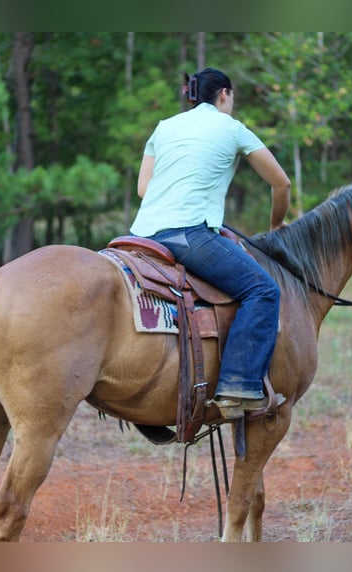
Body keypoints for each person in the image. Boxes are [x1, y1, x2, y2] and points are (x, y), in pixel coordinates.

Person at [130, 67, 291, 420]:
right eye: (231, 98)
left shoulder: (164, 127)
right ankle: (238, 386)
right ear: (223, 95)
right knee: (263, 290)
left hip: (140, 236)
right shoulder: (232, 128)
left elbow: (144, 190)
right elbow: (281, 184)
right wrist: (276, 223)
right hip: (189, 235)